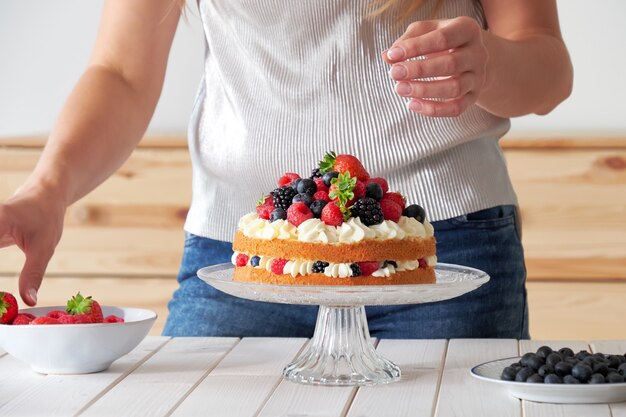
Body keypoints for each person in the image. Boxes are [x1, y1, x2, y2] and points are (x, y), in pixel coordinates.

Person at [0, 0, 572, 339]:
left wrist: (488, 64)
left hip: (443, 249)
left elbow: (547, 64)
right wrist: (47, 189)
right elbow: (121, 72)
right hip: (242, 255)